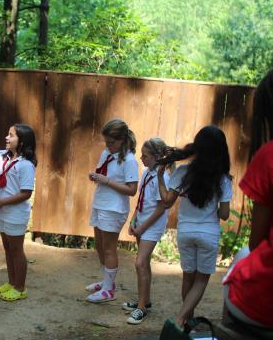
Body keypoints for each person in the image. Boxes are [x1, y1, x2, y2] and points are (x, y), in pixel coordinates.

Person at [157, 125, 232, 328]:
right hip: (208, 233)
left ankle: (187, 320)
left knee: (188, 278)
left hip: (185, 232)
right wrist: (212, 213)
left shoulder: (182, 171)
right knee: (200, 281)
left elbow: (166, 201)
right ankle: (181, 319)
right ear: (221, 151)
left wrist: (159, 176)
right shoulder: (223, 179)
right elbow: (224, 214)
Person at [222, 67, 273, 332]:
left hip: (267, 305)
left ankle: (229, 335)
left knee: (240, 261)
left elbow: (257, 242)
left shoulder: (270, 155)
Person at [86, 119, 139, 303]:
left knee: (109, 249)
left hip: (114, 208)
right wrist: (96, 177)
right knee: (99, 246)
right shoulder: (107, 153)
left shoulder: (130, 160)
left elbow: (132, 190)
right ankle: (107, 281)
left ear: (123, 139)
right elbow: (105, 175)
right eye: (106, 142)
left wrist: (106, 180)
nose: (108, 146)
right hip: (101, 203)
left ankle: (108, 290)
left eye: (112, 142)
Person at [123, 138, 173, 324]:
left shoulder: (164, 178)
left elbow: (161, 208)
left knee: (140, 263)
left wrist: (144, 226)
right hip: (142, 221)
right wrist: (134, 219)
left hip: (153, 224)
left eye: (145, 155)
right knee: (144, 264)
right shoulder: (146, 173)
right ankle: (145, 300)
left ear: (157, 157)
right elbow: (142, 198)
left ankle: (142, 309)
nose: (141, 158)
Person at [0, 124, 36, 302]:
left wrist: (2, 202)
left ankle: (20, 287)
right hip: (3, 212)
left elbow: (26, 193)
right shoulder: (7, 160)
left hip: (15, 214)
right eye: (7, 134)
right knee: (8, 249)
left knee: (17, 251)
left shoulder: (26, 165)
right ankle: (11, 283)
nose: (6, 138)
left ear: (22, 141)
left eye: (11, 135)